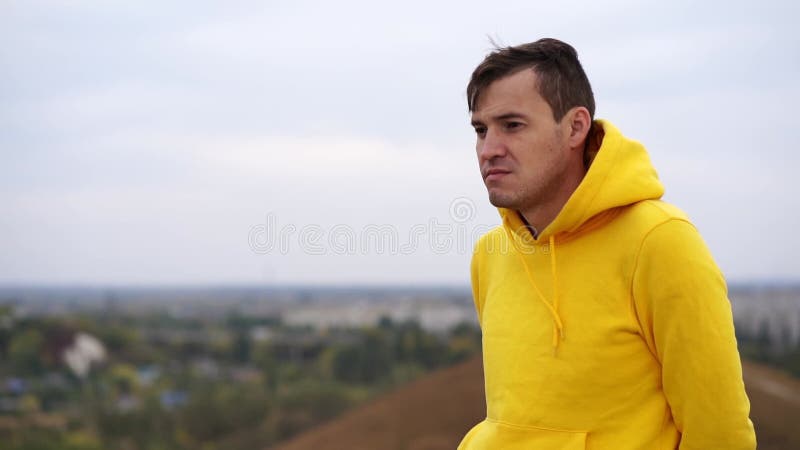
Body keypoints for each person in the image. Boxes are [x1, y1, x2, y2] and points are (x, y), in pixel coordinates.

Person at [458, 38, 756, 450]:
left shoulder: (660, 242)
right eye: (480, 129)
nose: (489, 149)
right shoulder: (489, 255)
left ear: (576, 127)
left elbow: (721, 435)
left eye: (513, 125)